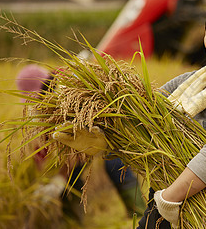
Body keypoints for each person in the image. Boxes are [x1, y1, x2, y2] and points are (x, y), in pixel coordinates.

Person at [51, 0, 206, 228]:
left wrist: (170, 199)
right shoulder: (195, 81)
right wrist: (105, 133)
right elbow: (144, 113)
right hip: (171, 198)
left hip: (203, 208)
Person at [16, 64, 146, 221]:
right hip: (82, 139)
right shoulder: (43, 105)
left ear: (48, 84)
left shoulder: (71, 88)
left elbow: (77, 149)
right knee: (72, 178)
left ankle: (139, 215)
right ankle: (73, 221)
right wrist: (42, 178)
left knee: (115, 165)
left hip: (108, 129)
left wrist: (58, 180)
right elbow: (43, 142)